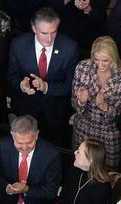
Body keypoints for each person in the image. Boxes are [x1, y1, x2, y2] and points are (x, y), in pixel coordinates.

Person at [7, 7, 80, 145]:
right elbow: (11, 76)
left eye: (53, 32)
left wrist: (46, 87)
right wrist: (21, 85)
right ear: (34, 28)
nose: (49, 38)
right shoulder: (18, 44)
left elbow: (70, 85)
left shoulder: (70, 48)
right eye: (44, 33)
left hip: (56, 112)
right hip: (26, 109)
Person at [0, 115, 62, 204]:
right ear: (12, 136)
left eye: (29, 142)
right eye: (19, 143)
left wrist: (26, 189)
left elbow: (51, 190)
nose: (25, 148)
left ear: (36, 135)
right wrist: (7, 187)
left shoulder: (51, 154)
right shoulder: (2, 145)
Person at [71, 35, 121, 169]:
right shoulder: (82, 68)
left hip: (109, 132)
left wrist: (104, 106)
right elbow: (74, 104)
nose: (100, 65)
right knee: (82, 167)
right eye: (96, 60)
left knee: (107, 171)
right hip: (83, 128)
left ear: (113, 57)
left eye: (105, 60)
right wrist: (81, 102)